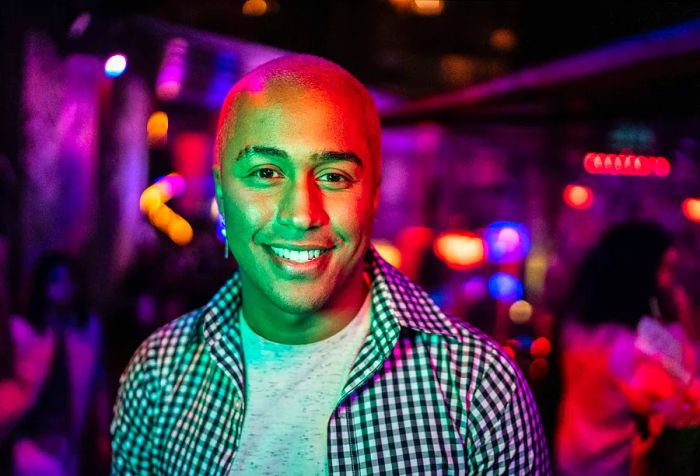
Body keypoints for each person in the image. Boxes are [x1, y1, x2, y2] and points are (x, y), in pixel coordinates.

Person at [111, 54, 549, 475]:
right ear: (222, 194)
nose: (301, 213)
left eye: (334, 176)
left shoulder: (479, 389)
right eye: (266, 172)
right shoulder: (158, 374)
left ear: (373, 196)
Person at [555, 222, 700, 476]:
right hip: (610, 469)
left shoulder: (577, 327)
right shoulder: (629, 346)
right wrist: (682, 322)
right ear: (640, 272)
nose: (670, 282)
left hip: (571, 461)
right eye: (666, 268)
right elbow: (683, 402)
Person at [3, 252, 106, 476]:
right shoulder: (24, 330)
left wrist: (102, 432)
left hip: (68, 444)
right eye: (55, 280)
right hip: (29, 441)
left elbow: (97, 382)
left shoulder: (86, 329)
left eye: (69, 280)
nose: (63, 287)